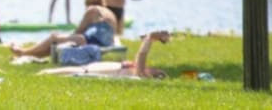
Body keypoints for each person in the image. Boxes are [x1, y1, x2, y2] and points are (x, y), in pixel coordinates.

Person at [9, 0, 118, 58]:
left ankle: (24, 52)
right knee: (60, 40)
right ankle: (29, 54)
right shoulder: (109, 12)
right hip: (104, 44)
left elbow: (79, 31)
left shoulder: (93, 10)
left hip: (92, 42)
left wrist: (62, 37)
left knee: (54, 38)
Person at [37, 30, 171, 79]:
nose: (153, 68)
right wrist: (152, 38)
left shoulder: (141, 74)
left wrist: (149, 39)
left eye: (156, 71)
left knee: (46, 74)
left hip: (84, 71)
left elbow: (142, 55)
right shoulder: (138, 69)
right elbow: (139, 58)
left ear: (154, 76)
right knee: (45, 73)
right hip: (85, 68)